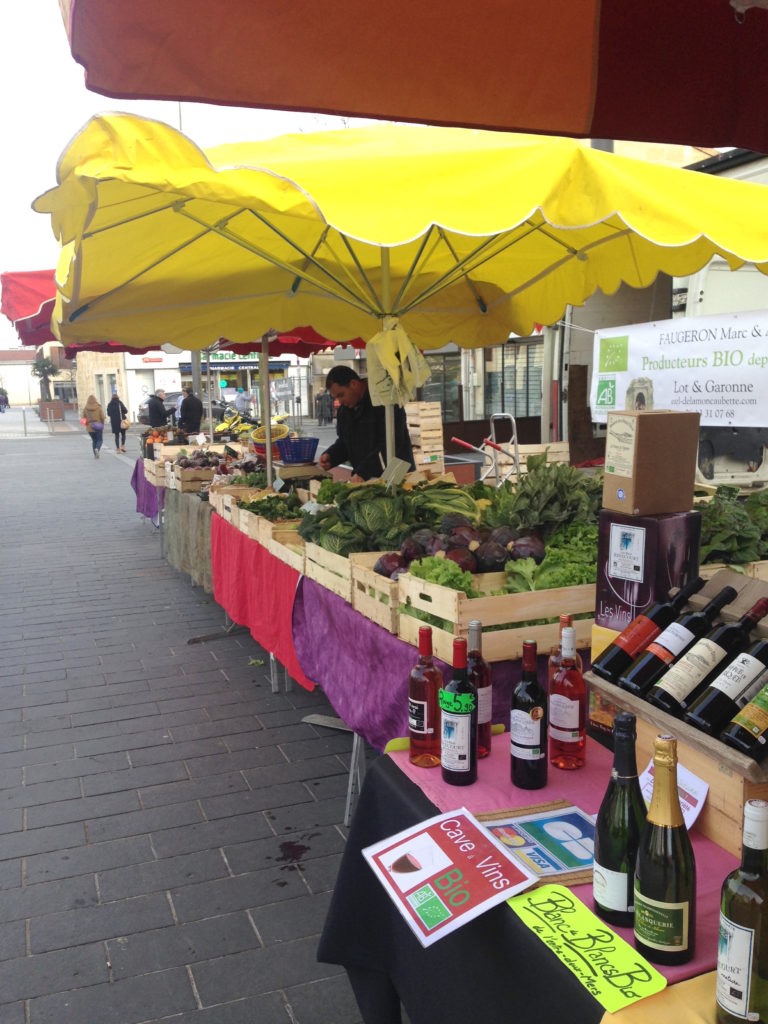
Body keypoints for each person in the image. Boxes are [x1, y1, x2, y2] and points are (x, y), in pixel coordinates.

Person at [318, 366, 415, 481]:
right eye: (336, 398)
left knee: (394, 496)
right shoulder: (344, 411)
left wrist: (364, 472)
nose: (340, 401)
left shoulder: (385, 400)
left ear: (354, 384)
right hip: (365, 477)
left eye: (341, 395)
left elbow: (392, 443)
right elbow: (345, 442)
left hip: (397, 473)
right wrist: (332, 456)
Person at [81, 394, 105, 459]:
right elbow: (102, 417)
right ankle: (97, 448)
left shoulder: (86, 408)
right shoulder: (99, 407)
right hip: (98, 426)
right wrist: (102, 424)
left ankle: (95, 454)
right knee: (100, 440)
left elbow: (83, 418)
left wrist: (86, 424)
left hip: (90, 427)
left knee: (94, 440)